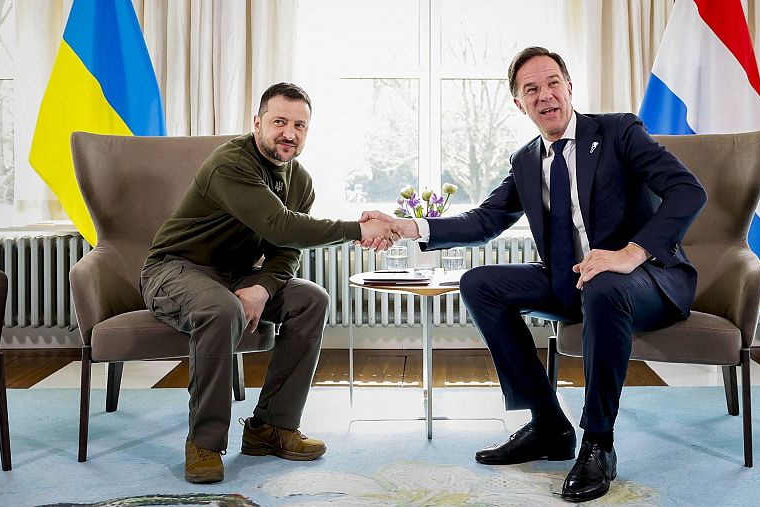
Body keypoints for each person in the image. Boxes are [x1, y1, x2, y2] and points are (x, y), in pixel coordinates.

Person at [360, 47, 707, 502]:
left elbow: (687, 190)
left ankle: (598, 442)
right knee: (479, 284)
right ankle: (548, 425)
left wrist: (631, 252)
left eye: (552, 83)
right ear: (519, 104)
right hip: (574, 281)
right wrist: (407, 227)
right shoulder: (526, 161)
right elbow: (484, 221)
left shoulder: (618, 131)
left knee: (604, 283)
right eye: (531, 89)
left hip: (648, 281)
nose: (545, 95)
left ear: (569, 87)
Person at [141, 82, 396, 484]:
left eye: (299, 125)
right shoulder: (231, 163)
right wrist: (358, 229)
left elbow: (286, 249)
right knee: (221, 309)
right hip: (176, 269)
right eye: (279, 122)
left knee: (311, 299)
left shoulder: (300, 181)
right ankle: (204, 443)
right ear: (257, 123)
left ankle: (272, 427)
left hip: (235, 275)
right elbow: (280, 225)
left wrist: (263, 288)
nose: (289, 133)